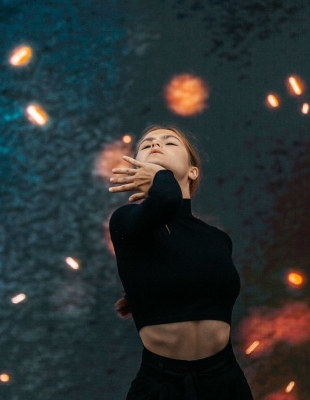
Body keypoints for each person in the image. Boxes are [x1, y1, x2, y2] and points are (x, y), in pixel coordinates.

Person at [108, 125, 254, 400]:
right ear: (136, 166)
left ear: (193, 171)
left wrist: (160, 177)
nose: (155, 145)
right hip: (162, 384)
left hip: (224, 379)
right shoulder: (125, 220)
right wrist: (161, 177)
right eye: (147, 144)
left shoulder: (218, 239)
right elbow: (166, 199)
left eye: (170, 142)